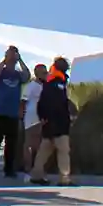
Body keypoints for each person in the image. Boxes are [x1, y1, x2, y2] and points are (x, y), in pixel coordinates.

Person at [29, 57, 75, 186]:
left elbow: (42, 102)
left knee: (45, 149)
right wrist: (66, 117)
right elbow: (59, 104)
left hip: (49, 122)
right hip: (58, 123)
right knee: (63, 150)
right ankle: (64, 178)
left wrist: (43, 117)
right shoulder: (58, 83)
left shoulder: (49, 82)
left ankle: (36, 175)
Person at [0, 45, 30, 177]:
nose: (12, 57)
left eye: (14, 55)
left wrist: (20, 60)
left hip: (13, 113)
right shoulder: (2, 72)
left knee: (11, 143)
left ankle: (9, 169)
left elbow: (27, 76)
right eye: (10, 54)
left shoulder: (17, 75)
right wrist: (5, 60)